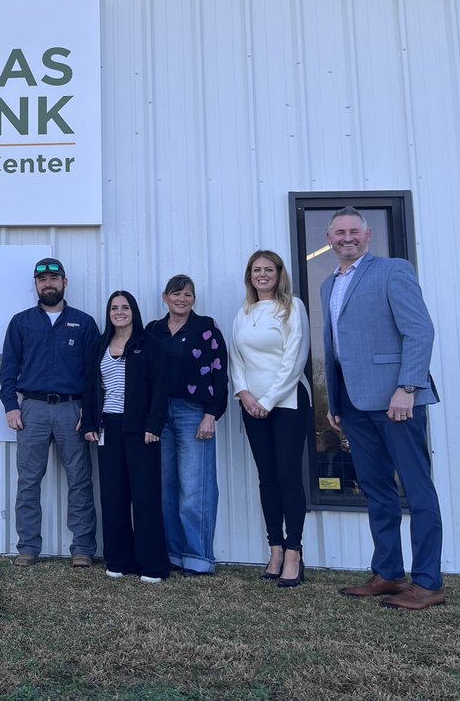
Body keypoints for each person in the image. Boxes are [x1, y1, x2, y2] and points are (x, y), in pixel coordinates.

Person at [321, 207, 444, 610]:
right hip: (354, 404)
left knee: (417, 487)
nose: (347, 237)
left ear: (368, 235)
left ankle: (428, 583)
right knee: (376, 490)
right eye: (339, 232)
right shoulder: (328, 285)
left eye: (354, 231)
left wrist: (408, 387)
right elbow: (336, 350)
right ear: (329, 238)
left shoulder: (393, 271)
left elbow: (419, 330)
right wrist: (335, 401)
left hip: (396, 401)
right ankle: (389, 574)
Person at [0, 257, 99, 568]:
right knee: (28, 480)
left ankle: (82, 548)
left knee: (80, 480)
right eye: (43, 280)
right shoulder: (21, 322)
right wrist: (11, 406)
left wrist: (90, 412)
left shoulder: (84, 323)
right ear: (36, 285)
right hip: (33, 411)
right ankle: (27, 548)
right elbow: (8, 370)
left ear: (65, 283)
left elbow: (95, 374)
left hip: (73, 409)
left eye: (54, 278)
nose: (49, 284)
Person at [229, 250, 311, 588]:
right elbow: (236, 359)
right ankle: (274, 549)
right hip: (251, 405)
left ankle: (294, 552)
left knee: (288, 476)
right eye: (255, 270)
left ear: (279, 274)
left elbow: (295, 358)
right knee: (267, 478)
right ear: (249, 275)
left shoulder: (293, 306)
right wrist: (245, 395)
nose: (262, 275)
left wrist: (268, 399)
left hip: (288, 401)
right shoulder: (244, 312)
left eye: (268, 269)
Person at [80, 291, 168, 582]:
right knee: (113, 495)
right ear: (109, 313)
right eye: (114, 308)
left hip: (141, 429)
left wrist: (154, 426)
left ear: (134, 311)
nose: (119, 312)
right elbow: (91, 388)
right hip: (109, 428)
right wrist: (90, 422)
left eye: (125, 307)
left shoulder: (149, 344)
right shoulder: (100, 345)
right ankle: (119, 560)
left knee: (145, 496)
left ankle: (152, 565)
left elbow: (160, 389)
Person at [147, 275, 227, 576]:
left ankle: (198, 556)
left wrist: (211, 414)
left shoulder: (206, 327)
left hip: (193, 412)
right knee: (165, 487)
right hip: (159, 416)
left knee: (195, 486)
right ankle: (173, 553)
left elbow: (220, 373)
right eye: (177, 294)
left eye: (188, 295)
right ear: (164, 297)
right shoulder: (153, 330)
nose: (182, 299)